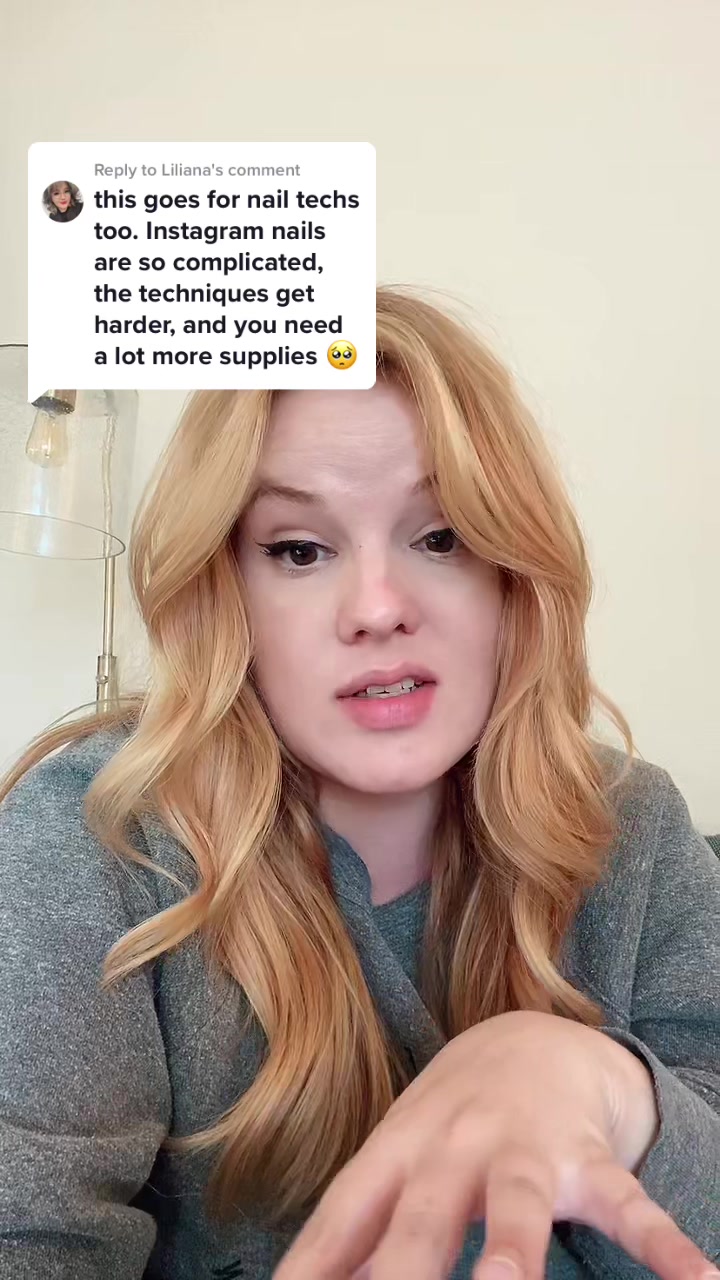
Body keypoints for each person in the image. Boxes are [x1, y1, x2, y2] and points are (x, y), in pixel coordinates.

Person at [0, 287, 718, 1280]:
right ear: (226, 591)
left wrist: (613, 1091)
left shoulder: (638, 828)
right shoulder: (95, 838)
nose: (377, 607)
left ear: (513, 573)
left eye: (441, 536)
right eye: (299, 549)